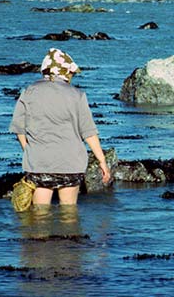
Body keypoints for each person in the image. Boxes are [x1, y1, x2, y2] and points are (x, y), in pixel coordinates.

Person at [9, 48, 111, 206]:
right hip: (71, 163)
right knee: (69, 213)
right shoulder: (77, 95)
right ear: (67, 72)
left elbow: (19, 129)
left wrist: (28, 151)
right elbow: (89, 132)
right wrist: (102, 162)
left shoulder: (28, 92)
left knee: (39, 215)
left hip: (39, 163)